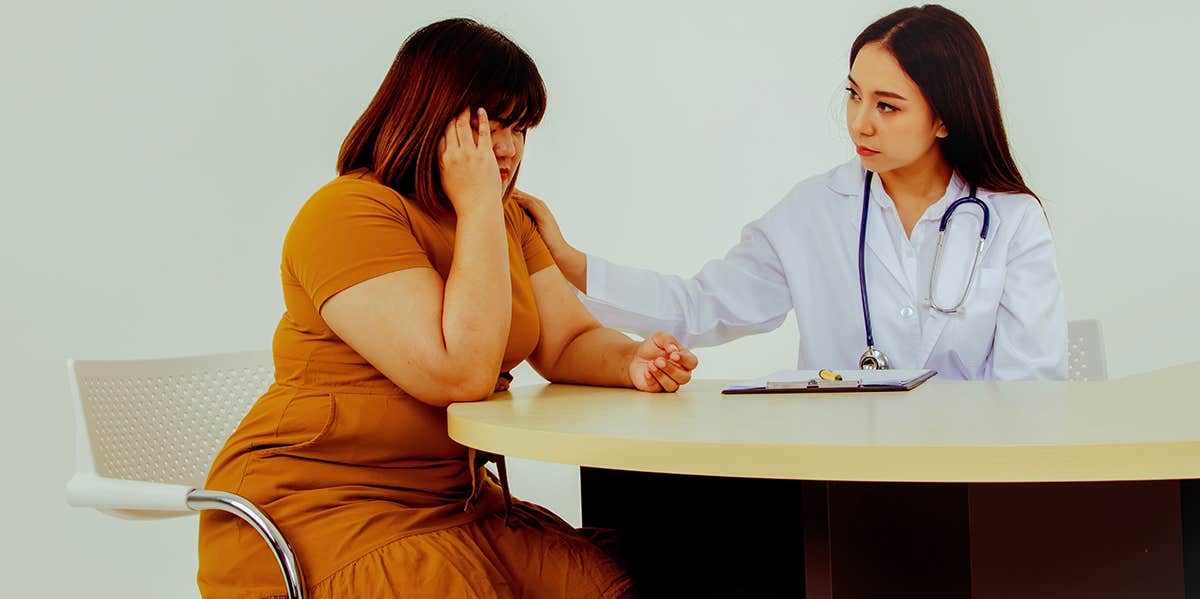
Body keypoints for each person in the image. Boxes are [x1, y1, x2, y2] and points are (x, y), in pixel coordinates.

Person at [197, 18, 697, 599]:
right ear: (429, 116)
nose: (507, 149)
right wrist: (480, 205)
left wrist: (632, 360)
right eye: (487, 125)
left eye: (520, 128)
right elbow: (457, 371)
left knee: (617, 584)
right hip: (323, 503)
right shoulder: (348, 213)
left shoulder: (503, 219)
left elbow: (565, 341)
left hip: (453, 504)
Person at [517, 4, 1067, 381]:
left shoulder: (1011, 222)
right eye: (854, 96)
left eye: (887, 105)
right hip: (841, 477)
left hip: (973, 482)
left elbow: (1032, 386)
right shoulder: (813, 211)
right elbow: (701, 307)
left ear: (945, 119)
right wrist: (569, 261)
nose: (860, 124)